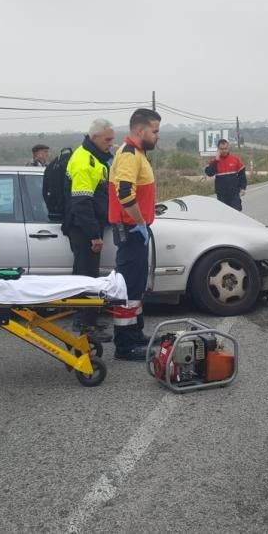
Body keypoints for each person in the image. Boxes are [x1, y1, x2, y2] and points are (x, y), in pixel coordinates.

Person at [107, 108, 160, 361]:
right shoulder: (129, 155)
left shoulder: (136, 153)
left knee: (136, 285)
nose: (157, 136)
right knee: (128, 287)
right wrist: (139, 222)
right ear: (141, 131)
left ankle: (136, 334)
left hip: (135, 228)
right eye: (155, 131)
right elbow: (125, 193)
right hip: (130, 229)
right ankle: (125, 346)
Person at [63, 119, 116, 342]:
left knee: (90, 275)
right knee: (85, 275)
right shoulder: (85, 162)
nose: (111, 144)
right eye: (108, 139)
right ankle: (85, 324)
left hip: (90, 225)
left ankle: (90, 318)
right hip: (83, 229)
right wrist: (94, 235)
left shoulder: (95, 158)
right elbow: (82, 203)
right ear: (94, 137)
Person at [204, 139, 247, 210]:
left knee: (236, 214)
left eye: (225, 149)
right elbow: (209, 173)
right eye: (222, 149)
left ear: (228, 148)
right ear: (218, 149)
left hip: (234, 193)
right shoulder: (213, 161)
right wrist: (216, 160)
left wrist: (243, 187)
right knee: (223, 215)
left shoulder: (235, 159)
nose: (224, 151)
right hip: (221, 195)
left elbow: (242, 174)